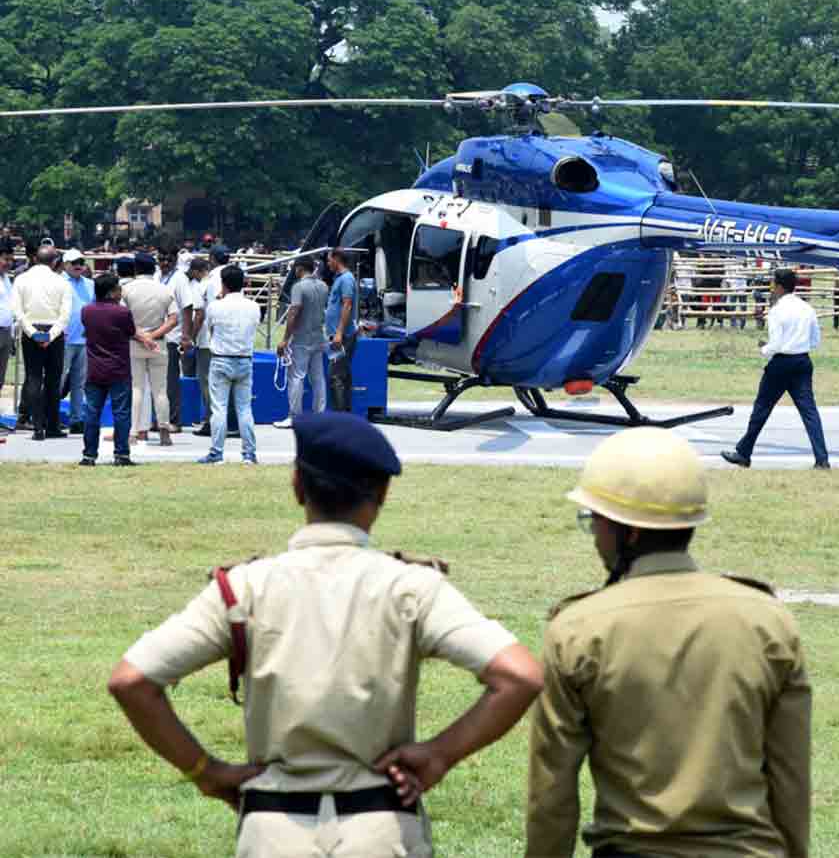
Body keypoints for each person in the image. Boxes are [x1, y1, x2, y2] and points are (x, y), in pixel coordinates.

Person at [109, 411, 543, 858]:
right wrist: (440, 754)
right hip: (380, 829)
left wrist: (207, 772)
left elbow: (131, 681)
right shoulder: (411, 586)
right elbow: (519, 676)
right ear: (383, 493)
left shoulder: (245, 587)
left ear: (298, 487)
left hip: (273, 830)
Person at [526, 427, 811, 858]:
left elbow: (553, 793)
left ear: (629, 533)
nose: (595, 536)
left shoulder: (579, 631)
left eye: (595, 521)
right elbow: (790, 778)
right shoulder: (768, 622)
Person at [722, 268, 830, 469]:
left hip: (780, 363)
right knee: (809, 412)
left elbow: (776, 344)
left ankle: (744, 453)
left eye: (772, 284)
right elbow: (815, 341)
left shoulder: (777, 310)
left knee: (761, 409)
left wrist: (764, 349)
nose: (771, 288)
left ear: (779, 287)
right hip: (802, 362)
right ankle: (822, 458)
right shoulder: (807, 308)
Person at [80, 273, 158, 467]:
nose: (121, 291)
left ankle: (89, 455)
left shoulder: (86, 311)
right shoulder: (122, 312)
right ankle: (121, 454)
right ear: (111, 292)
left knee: (92, 413)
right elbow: (131, 332)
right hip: (118, 369)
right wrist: (147, 340)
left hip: (95, 369)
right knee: (121, 413)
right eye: (118, 288)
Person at [199, 264, 260, 465]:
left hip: (221, 358)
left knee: (219, 408)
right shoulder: (254, 306)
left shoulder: (215, 306)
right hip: (244, 359)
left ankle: (217, 452)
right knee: (244, 408)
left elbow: (211, 330)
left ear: (223, 284)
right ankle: (249, 453)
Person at [11, 244, 71, 440]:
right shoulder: (61, 282)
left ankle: (37, 427)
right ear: (55, 262)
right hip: (54, 331)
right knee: (53, 381)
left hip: (31, 330)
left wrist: (33, 333)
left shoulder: (21, 279)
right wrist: (51, 335)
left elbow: (17, 311)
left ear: (35, 258)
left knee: (33, 378)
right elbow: (65, 314)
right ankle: (52, 425)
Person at [121, 252, 177, 446]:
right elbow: (173, 319)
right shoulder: (164, 290)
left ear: (135, 269)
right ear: (154, 269)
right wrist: (152, 337)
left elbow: (123, 319)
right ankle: (164, 430)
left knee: (136, 388)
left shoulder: (126, 290)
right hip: (158, 342)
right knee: (160, 390)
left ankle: (133, 432)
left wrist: (140, 336)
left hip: (134, 342)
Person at [274, 255, 328, 427]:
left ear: (299, 268)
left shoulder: (298, 287)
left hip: (301, 339)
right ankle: (320, 414)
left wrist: (284, 339)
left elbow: (293, 313)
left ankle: (294, 416)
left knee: (296, 377)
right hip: (318, 337)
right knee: (318, 378)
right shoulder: (323, 286)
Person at [155, 241, 194, 433]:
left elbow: (187, 307)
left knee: (170, 381)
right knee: (156, 381)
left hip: (172, 336)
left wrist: (186, 336)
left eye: (168, 259)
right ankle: (159, 419)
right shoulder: (156, 276)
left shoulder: (179, 278)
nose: (164, 263)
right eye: (161, 258)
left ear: (175, 260)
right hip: (155, 335)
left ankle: (174, 421)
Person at [60, 249, 95, 434]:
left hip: (84, 340)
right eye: (73, 262)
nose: (78, 265)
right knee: (57, 381)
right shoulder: (58, 283)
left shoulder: (90, 284)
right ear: (65, 264)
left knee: (79, 383)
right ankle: (49, 416)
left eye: (81, 261)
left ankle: (76, 419)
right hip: (62, 339)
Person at [325, 249, 358, 412]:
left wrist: (339, 332)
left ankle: (340, 417)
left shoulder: (346, 279)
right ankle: (345, 414)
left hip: (342, 336)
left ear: (337, 259)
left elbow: (347, 304)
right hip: (339, 335)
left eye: (329, 260)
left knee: (335, 375)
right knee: (343, 375)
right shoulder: (340, 279)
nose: (327, 263)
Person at [187, 257, 212, 432]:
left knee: (206, 381)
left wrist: (191, 337)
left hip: (204, 341)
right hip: (217, 339)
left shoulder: (198, 287)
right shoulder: (215, 283)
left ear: (196, 271)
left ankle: (210, 420)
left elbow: (199, 315)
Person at [0, 243, 15, 398]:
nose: (9, 263)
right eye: (5, 259)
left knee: (0, 378)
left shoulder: (6, 279)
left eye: (11, 260)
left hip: (6, 331)